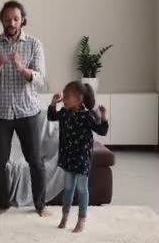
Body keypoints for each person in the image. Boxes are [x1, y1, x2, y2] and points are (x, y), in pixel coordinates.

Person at [0, 0, 48, 216]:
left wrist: (21, 68)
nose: (11, 22)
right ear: (2, 20)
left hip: (28, 111)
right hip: (0, 112)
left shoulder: (34, 44)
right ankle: (3, 203)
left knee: (35, 161)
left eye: (15, 18)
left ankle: (40, 206)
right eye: (7, 19)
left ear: (22, 20)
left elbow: (40, 80)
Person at [47, 81, 109, 233]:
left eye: (67, 97)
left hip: (82, 158)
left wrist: (104, 117)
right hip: (68, 156)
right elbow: (51, 117)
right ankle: (65, 216)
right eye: (64, 96)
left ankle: (82, 219)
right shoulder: (64, 112)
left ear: (79, 99)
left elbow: (102, 131)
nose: (65, 99)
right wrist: (53, 104)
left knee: (82, 188)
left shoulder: (87, 116)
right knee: (68, 188)